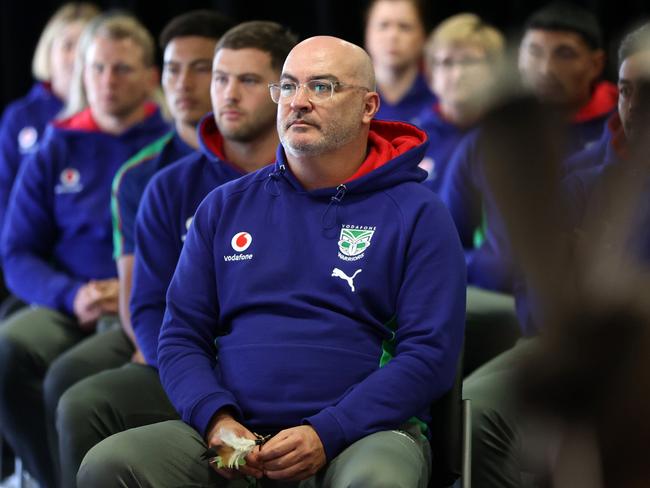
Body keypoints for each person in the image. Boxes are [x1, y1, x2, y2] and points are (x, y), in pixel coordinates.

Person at [77, 35, 465, 488]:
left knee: (377, 481)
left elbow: (430, 355)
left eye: (321, 87)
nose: (298, 102)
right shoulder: (224, 206)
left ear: (368, 106)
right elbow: (180, 335)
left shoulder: (418, 213)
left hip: (363, 435)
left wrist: (328, 431)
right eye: (287, 86)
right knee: (111, 464)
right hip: (235, 440)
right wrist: (215, 419)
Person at [57, 20, 296, 487]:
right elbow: (147, 304)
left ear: (281, 92)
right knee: (83, 402)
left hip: (277, 369)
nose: (226, 94)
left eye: (247, 81)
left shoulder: (310, 177)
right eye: (221, 79)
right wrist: (183, 372)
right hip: (190, 364)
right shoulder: (169, 186)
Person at [462, 23, 650, 488]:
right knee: (476, 405)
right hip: (572, 341)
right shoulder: (580, 179)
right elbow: (531, 294)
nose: (636, 107)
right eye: (626, 91)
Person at [0, 12, 167, 488]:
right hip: (74, 300)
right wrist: (71, 295)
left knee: (72, 380)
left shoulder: (170, 147)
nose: (107, 81)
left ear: (150, 78)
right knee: (9, 350)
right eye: (96, 68)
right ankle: (52, 477)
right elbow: (16, 252)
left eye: (122, 69)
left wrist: (133, 290)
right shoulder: (56, 146)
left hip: (145, 300)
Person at [0, 3, 100, 232]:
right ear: (49, 51)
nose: (77, 57)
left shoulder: (108, 116)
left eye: (85, 47)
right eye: (68, 46)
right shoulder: (20, 116)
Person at [418, 13, 504, 193]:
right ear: (430, 73)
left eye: (469, 61)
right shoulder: (412, 141)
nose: (457, 74)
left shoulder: (510, 135)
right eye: (447, 62)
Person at [365, 0, 436, 124]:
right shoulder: (350, 97)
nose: (393, 35)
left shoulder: (441, 96)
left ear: (423, 36)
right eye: (383, 25)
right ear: (367, 33)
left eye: (404, 27)